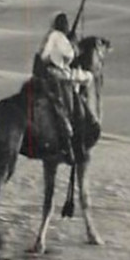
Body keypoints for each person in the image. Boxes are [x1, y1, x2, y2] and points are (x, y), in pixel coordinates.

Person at [32, 13, 91, 162]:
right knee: (67, 107)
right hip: (57, 74)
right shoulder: (57, 37)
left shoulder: (53, 36)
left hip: (52, 72)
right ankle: (69, 139)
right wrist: (72, 44)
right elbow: (70, 54)